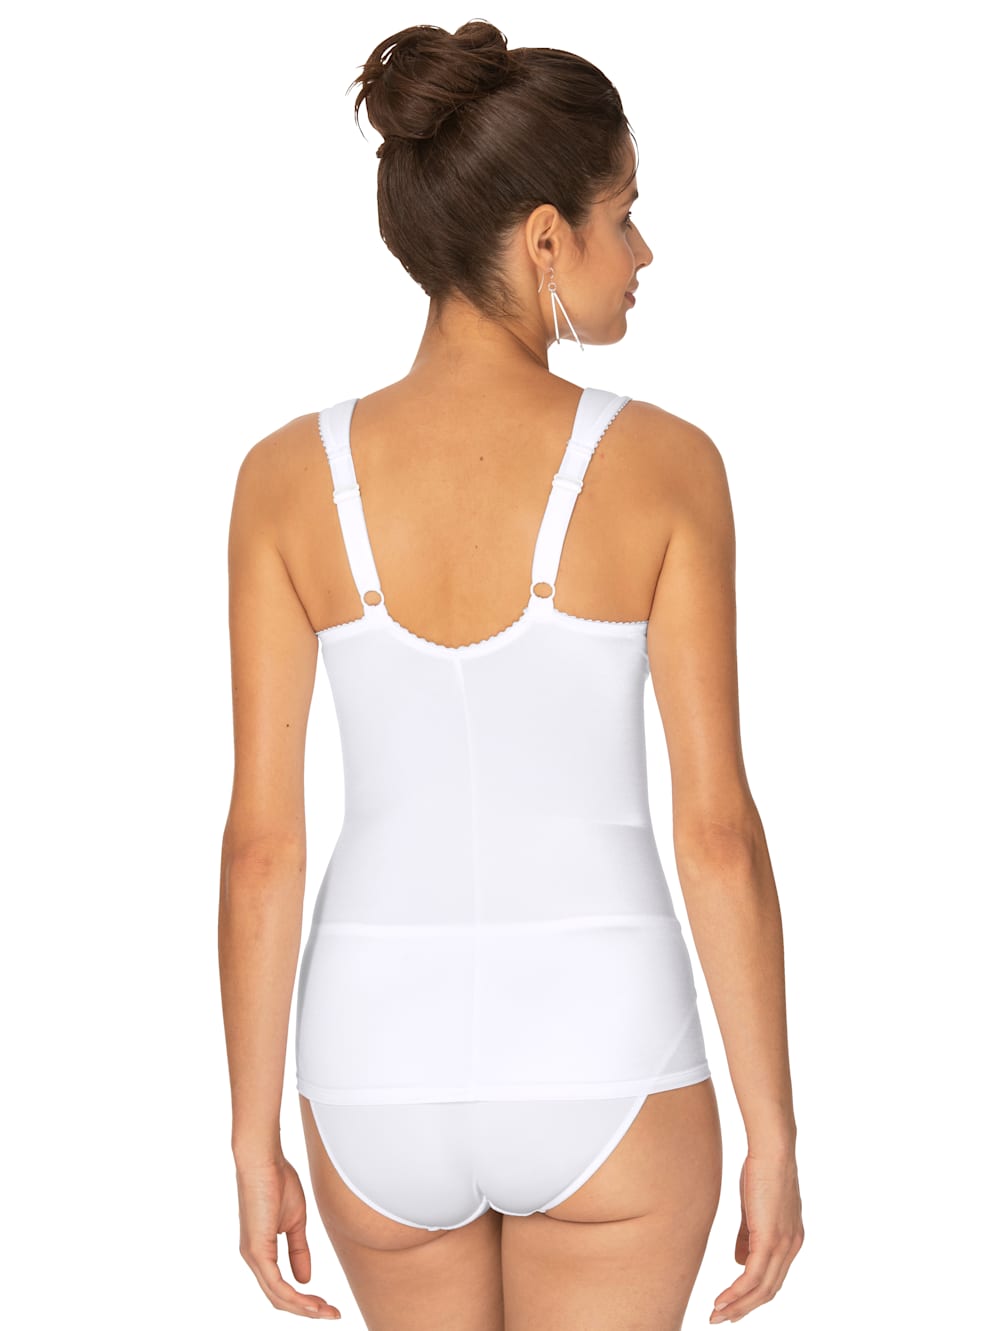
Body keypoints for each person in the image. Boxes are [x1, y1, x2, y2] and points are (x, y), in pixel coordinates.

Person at [218, 19, 804, 1330]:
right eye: (624, 215)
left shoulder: (283, 482)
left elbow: (263, 848)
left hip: (371, 1068)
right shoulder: (668, 468)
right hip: (608, 1051)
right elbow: (716, 831)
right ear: (546, 238)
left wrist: (252, 1138)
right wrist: (774, 1130)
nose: (643, 255)